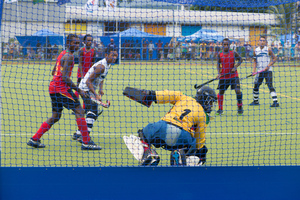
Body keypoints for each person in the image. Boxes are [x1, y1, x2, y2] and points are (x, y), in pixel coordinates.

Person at [27, 34, 102, 150]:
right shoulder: (70, 57)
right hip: (60, 88)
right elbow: (65, 78)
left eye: (78, 43)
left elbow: (54, 72)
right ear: (68, 43)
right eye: (74, 43)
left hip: (53, 88)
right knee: (80, 111)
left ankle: (34, 139)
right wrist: (79, 90)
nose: (77, 45)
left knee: (56, 116)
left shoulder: (62, 54)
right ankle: (86, 142)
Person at [124, 86, 217, 166]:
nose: (211, 106)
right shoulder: (203, 115)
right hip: (183, 135)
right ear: (204, 99)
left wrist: (150, 94)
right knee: (193, 146)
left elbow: (165, 95)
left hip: (162, 128)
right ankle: (182, 155)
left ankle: (148, 153)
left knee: (144, 133)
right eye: (210, 102)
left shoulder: (183, 97)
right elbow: (200, 139)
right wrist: (199, 152)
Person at [73, 51, 118, 142]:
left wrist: (100, 89)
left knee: (93, 111)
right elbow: (88, 81)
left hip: (90, 89)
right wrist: (96, 95)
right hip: (85, 89)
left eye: (116, 56)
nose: (114, 58)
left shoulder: (107, 65)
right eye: (112, 55)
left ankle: (78, 133)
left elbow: (101, 78)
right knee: (93, 111)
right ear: (106, 55)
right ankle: (84, 137)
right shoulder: (101, 66)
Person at [249, 36, 279, 107]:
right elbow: (255, 61)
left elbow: (274, 58)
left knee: (269, 85)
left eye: (263, 41)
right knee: (256, 85)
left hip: (268, 71)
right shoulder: (255, 50)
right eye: (261, 40)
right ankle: (255, 101)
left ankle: (275, 102)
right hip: (259, 71)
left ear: (265, 42)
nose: (262, 42)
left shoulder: (268, 49)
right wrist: (254, 71)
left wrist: (268, 66)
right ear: (258, 42)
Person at [216, 38, 243, 115]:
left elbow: (241, 59)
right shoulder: (219, 54)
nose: (226, 46)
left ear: (229, 45)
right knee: (221, 92)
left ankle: (240, 106)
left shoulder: (233, 53)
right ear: (222, 45)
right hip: (223, 76)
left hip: (234, 76)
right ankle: (220, 109)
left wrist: (235, 67)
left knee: (237, 91)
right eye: (224, 44)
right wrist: (219, 73)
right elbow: (218, 64)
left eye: (227, 44)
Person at [74, 34, 95, 102]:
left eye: (91, 40)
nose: (90, 42)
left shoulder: (93, 51)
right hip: (81, 73)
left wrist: (93, 73)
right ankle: (75, 106)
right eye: (88, 40)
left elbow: (93, 63)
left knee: (87, 91)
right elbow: (80, 63)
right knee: (78, 89)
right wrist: (82, 76)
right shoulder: (81, 50)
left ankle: (85, 108)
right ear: (84, 42)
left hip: (89, 73)